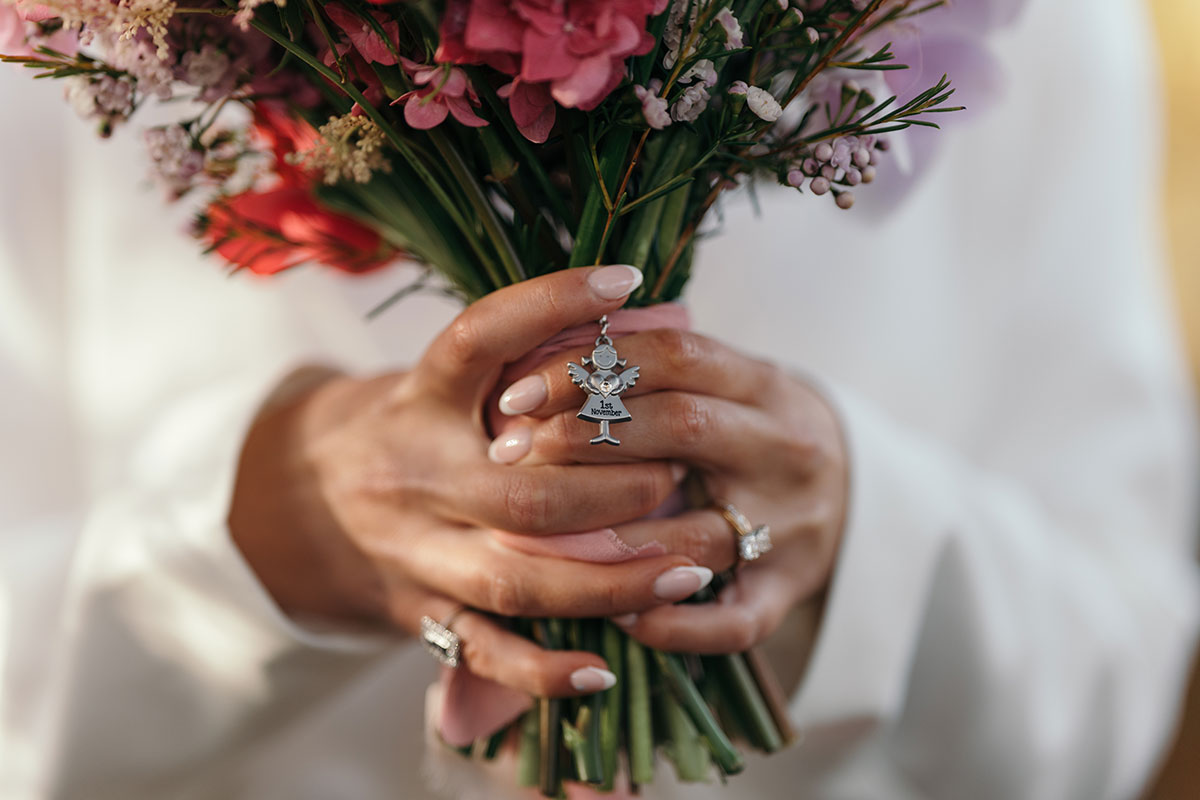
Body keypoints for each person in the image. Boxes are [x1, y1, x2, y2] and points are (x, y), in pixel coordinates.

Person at [1, 0, 1197, 798]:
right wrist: (267, 538)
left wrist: (863, 539)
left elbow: (1118, 674)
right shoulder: (72, 40)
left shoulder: (1038, 27)